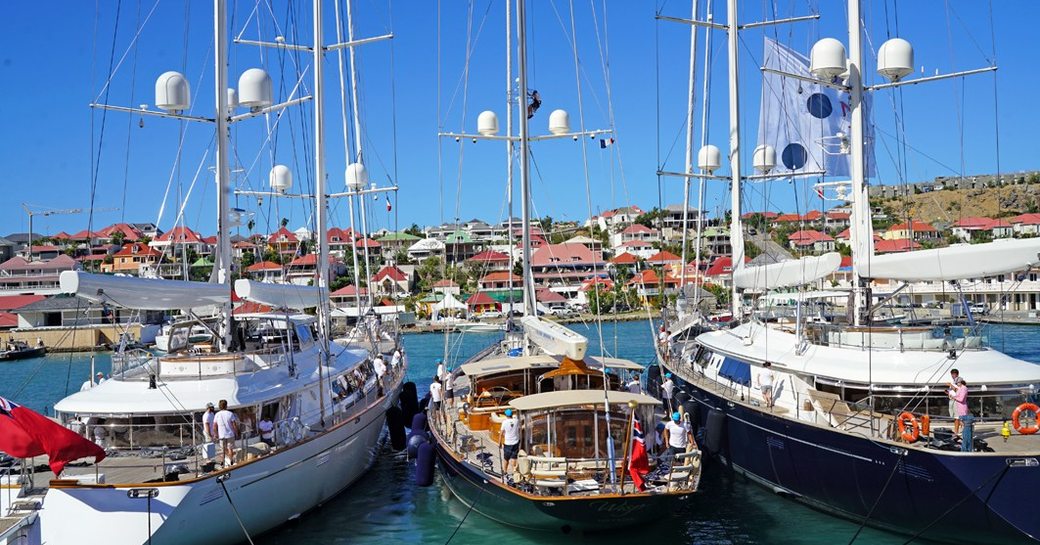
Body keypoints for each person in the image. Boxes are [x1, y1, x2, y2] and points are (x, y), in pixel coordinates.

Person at [213, 400, 239, 467]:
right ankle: (231, 461)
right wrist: (236, 433)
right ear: (226, 405)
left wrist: (216, 434)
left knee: (223, 449)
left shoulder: (217, 415)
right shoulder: (230, 414)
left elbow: (214, 426)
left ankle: (223, 462)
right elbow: (234, 425)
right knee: (230, 449)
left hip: (221, 435)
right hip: (230, 434)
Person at [499, 408, 521, 476]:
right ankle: (514, 471)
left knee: (506, 458)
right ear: (512, 415)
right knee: (514, 457)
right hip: (515, 442)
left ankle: (505, 471)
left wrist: (499, 443)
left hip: (508, 443)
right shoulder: (516, 421)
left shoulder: (504, 422)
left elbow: (501, 433)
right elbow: (519, 429)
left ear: (506, 415)